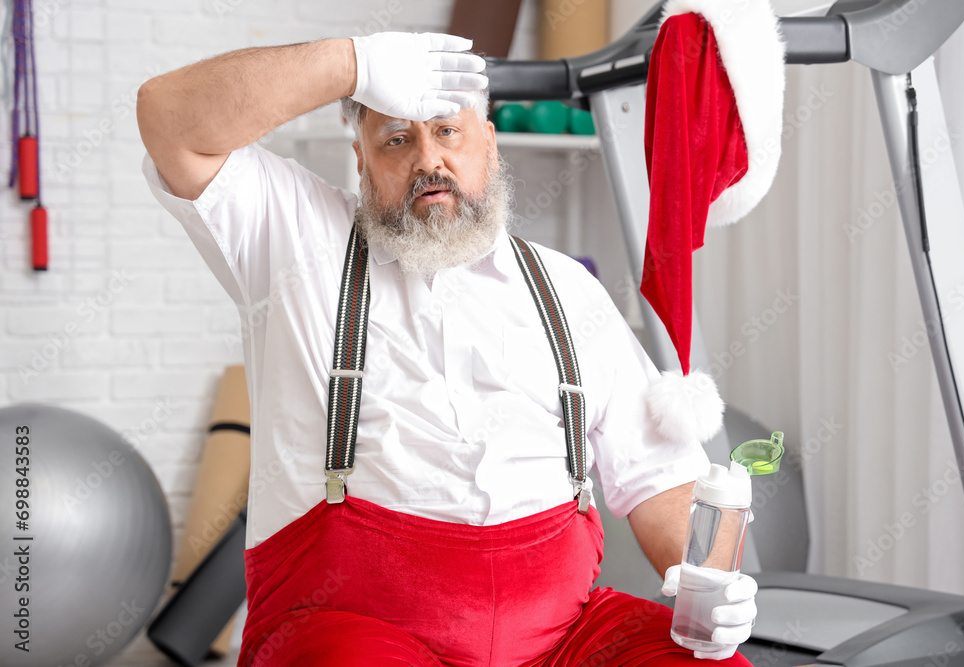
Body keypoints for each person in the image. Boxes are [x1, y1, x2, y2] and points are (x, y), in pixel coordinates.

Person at [137, 31, 757, 667]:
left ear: (489, 142)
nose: (427, 160)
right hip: (351, 625)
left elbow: (664, 479)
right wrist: (354, 64)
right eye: (397, 139)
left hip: (561, 639)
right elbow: (168, 118)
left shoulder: (569, 292)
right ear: (361, 160)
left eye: (448, 132)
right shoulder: (294, 240)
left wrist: (710, 584)